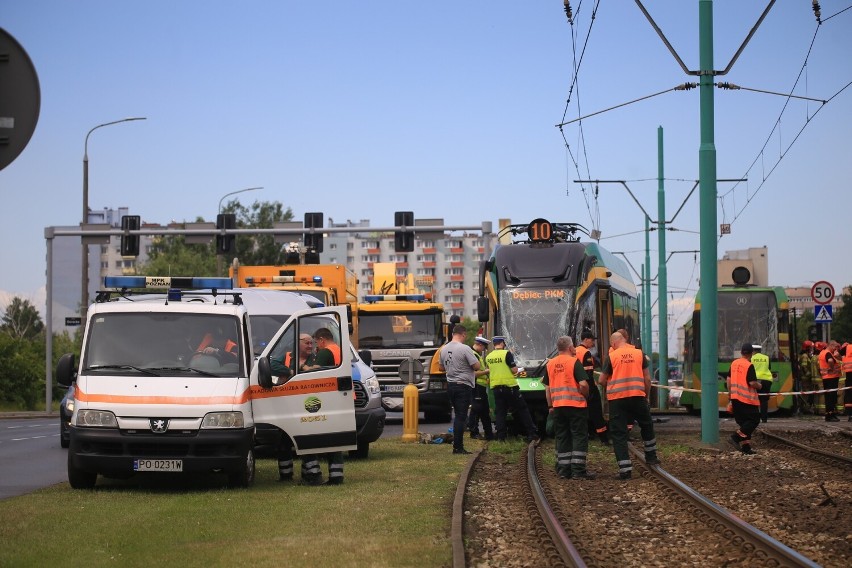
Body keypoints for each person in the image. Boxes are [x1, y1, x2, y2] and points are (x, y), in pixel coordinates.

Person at [599, 331, 660, 479]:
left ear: (614, 343)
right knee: (646, 425)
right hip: (637, 396)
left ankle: (625, 470)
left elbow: (601, 380)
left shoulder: (612, 356)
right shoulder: (639, 354)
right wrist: (646, 396)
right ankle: (651, 457)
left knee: (619, 433)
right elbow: (647, 379)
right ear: (624, 340)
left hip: (617, 400)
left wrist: (610, 385)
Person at [545, 336, 595, 480]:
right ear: (570, 348)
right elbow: (584, 385)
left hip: (558, 407)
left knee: (562, 436)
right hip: (576, 406)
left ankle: (563, 470)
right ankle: (578, 471)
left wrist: (550, 406)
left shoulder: (550, 364)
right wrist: (585, 397)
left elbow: (547, 389)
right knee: (579, 435)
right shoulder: (574, 362)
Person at [485, 336, 539, 443]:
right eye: (504, 343)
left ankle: (501, 437)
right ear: (502, 343)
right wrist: (520, 369)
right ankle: (532, 433)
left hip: (496, 388)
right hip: (509, 387)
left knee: (500, 412)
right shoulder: (506, 354)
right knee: (522, 408)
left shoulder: (489, 356)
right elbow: (514, 370)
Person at [439, 324, 481, 455]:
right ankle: (458, 447)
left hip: (451, 385)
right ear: (463, 334)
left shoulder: (443, 349)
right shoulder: (464, 348)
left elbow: (441, 368)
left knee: (458, 415)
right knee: (460, 417)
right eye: (465, 336)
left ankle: (458, 446)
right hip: (463, 385)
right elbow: (476, 366)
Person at [726, 343, 762, 454]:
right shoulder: (748, 365)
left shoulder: (734, 363)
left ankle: (746, 447)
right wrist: (760, 385)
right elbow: (752, 383)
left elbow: (728, 380)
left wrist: (730, 395)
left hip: (735, 398)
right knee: (753, 420)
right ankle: (735, 437)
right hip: (747, 399)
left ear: (741, 352)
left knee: (744, 424)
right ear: (751, 353)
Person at [575, 330, 609, 445]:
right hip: (588, 387)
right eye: (592, 340)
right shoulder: (586, 353)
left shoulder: (575, 351)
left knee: (584, 412)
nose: (593, 342)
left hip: (578, 387)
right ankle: (604, 438)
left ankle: (589, 434)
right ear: (585, 339)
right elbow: (588, 374)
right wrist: (590, 391)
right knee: (596, 412)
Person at [466, 336, 494, 441]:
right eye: (484, 348)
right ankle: (474, 431)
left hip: (480, 387)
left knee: (483, 410)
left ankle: (489, 434)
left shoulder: (475, 354)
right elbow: (473, 374)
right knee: (476, 409)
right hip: (477, 386)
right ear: (480, 345)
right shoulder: (474, 355)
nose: (484, 350)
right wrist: (487, 371)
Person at [818, 340, 842, 422]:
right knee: (832, 397)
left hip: (826, 378)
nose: (836, 349)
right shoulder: (828, 353)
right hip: (831, 377)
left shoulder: (822, 352)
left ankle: (829, 414)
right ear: (831, 345)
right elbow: (830, 361)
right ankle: (831, 415)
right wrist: (832, 368)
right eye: (835, 347)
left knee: (828, 397)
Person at [750, 344, 773, 423]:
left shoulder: (751, 358)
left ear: (753, 350)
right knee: (764, 400)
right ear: (760, 350)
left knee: (754, 399)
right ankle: (764, 419)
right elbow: (769, 368)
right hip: (767, 380)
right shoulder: (766, 358)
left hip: (755, 380)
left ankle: (755, 418)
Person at [797, 340, 816, 414]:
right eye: (811, 347)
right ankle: (805, 409)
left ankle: (806, 408)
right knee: (806, 394)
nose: (812, 349)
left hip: (806, 378)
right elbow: (804, 366)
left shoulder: (806, 355)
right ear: (807, 348)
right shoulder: (805, 356)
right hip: (805, 379)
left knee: (808, 393)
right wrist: (809, 374)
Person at [841, 341, 852, 421]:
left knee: (848, 392)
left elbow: (837, 354)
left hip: (848, 373)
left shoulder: (847, 347)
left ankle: (849, 414)